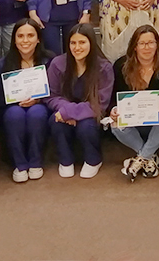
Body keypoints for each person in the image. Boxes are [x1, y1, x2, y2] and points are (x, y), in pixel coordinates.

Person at [109, 25, 159, 181]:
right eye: (142, 43)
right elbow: (114, 97)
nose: (147, 47)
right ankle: (148, 158)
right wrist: (114, 109)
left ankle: (139, 160)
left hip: (157, 122)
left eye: (151, 43)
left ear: (157, 45)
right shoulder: (121, 66)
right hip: (132, 120)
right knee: (114, 122)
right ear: (134, 46)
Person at [46, 24, 113, 178]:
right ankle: (65, 160)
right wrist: (66, 110)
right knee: (56, 122)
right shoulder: (57, 63)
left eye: (82, 42)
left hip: (92, 114)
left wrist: (71, 112)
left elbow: (101, 103)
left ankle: (93, 159)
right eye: (73, 43)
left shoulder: (104, 67)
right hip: (63, 111)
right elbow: (51, 95)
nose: (77, 47)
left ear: (91, 43)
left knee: (86, 125)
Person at [0, 18, 54, 183]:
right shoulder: (2, 65)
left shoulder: (49, 62)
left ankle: (35, 162)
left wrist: (38, 100)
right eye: (20, 36)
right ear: (14, 39)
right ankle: (19, 164)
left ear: (38, 38)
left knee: (36, 112)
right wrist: (15, 100)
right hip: (12, 108)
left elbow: (56, 93)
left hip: (41, 106)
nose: (25, 40)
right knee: (14, 114)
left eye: (30, 35)